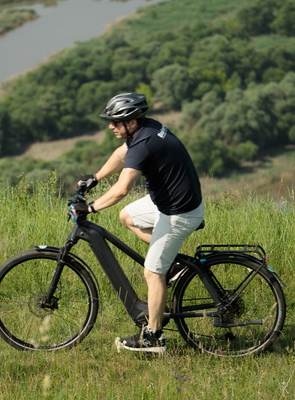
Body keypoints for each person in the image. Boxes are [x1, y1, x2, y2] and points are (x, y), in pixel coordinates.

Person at [75, 93, 204, 353]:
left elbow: (122, 189)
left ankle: (153, 338)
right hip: (168, 202)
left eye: (115, 122)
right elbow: (122, 154)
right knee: (128, 216)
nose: (110, 126)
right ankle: (173, 263)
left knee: (152, 273)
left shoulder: (144, 142)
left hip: (179, 213)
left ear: (131, 122)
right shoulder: (145, 130)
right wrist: (96, 178)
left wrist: (90, 207)